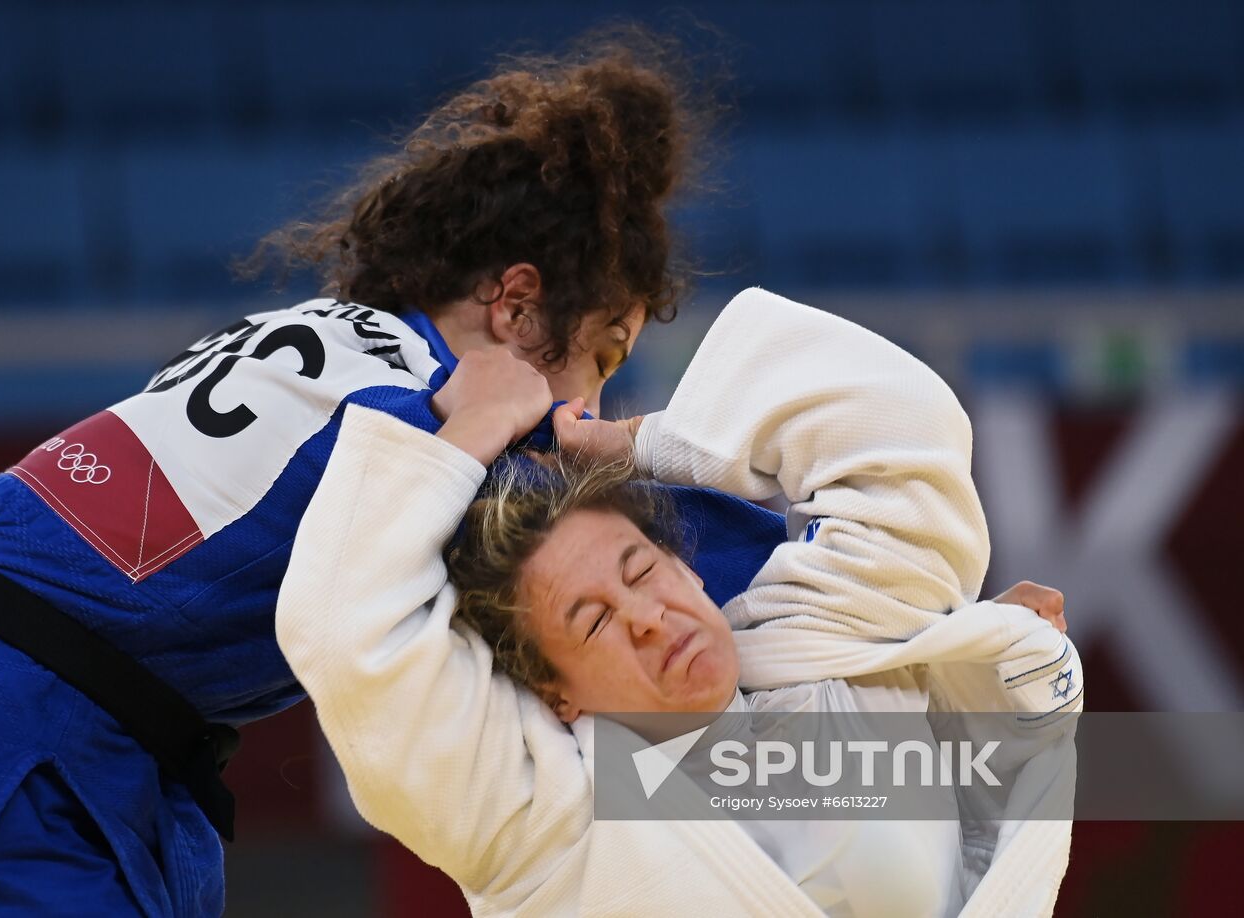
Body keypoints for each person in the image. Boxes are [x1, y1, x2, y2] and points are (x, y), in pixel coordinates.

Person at [0, 34, 768, 918]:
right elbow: (704, 571)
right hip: (6, 757)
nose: (594, 410)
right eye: (600, 359)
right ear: (518, 306)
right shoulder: (432, 418)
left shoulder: (314, 337)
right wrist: (900, 765)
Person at [275, 288, 1083, 916]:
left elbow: (899, 424)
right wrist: (467, 432)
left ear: (689, 570)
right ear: (556, 695)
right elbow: (347, 638)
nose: (648, 617)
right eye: (592, 621)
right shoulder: (545, 824)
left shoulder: (822, 650)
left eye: (641, 572)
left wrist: (634, 443)